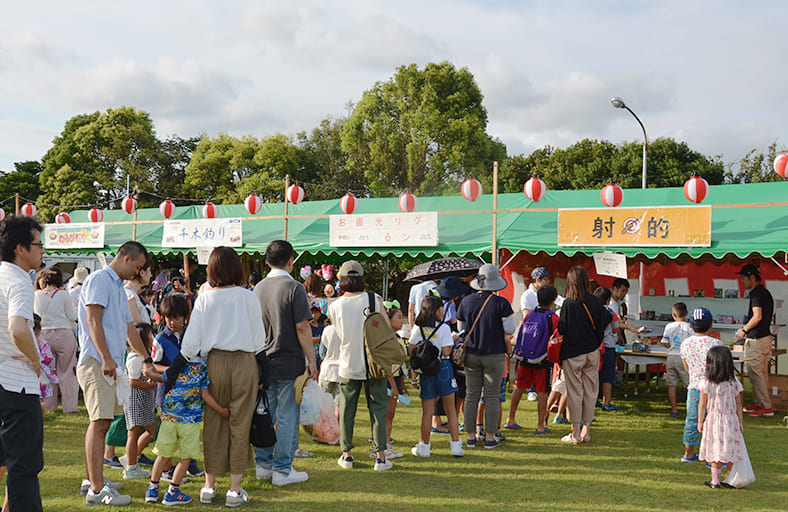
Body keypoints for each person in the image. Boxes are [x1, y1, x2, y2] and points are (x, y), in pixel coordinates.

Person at [179, 246, 266, 507]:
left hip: (214, 363)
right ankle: (234, 490)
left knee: (214, 425)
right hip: (244, 362)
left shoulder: (204, 297)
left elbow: (190, 345)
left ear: (212, 269)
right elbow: (258, 340)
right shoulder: (249, 297)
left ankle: (209, 486)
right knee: (240, 425)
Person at [77, 241, 153, 506]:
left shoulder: (119, 287)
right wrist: (107, 358)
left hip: (110, 363)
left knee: (104, 423)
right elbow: (92, 320)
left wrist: (146, 358)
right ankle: (97, 489)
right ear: (126, 258)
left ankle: (93, 480)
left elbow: (129, 328)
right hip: (97, 361)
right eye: (138, 266)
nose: (138, 272)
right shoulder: (100, 279)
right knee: (99, 423)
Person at [253, 240, 316, 486]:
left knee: (265, 413)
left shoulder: (257, 288)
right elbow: (302, 327)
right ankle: (282, 469)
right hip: (288, 360)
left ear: (267, 261)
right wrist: (312, 360)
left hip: (262, 361)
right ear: (291, 260)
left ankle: (264, 463)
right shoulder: (294, 287)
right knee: (288, 415)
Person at [0, 215, 47, 512]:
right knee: (24, 464)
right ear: (20, 248)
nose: (42, 251)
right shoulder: (19, 280)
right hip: (16, 382)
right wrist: (35, 358)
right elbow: (17, 328)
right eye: (38, 245)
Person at [329, 260, 393, 471]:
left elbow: (339, 334)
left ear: (342, 279)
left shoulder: (335, 306)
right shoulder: (374, 299)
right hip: (374, 363)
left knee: (347, 409)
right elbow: (385, 328)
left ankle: (346, 454)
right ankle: (380, 456)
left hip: (348, 362)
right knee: (378, 409)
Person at [144, 358, 229, 505]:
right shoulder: (203, 371)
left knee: (162, 455)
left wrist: (148, 371)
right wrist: (221, 410)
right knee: (186, 457)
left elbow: (159, 377)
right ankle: (173, 492)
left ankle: (152, 489)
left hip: (170, 417)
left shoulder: (177, 367)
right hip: (190, 420)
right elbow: (205, 395)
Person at [456, 264, 515, 450]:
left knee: (471, 395)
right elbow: (510, 329)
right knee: (491, 396)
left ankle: (471, 437)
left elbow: (460, 329)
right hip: (494, 354)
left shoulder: (466, 302)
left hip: (471, 354)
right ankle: (490, 437)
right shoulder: (501, 303)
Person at [556, 266, 611, 445]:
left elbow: (562, 328)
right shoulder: (595, 301)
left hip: (573, 353)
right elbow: (605, 320)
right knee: (590, 391)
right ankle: (587, 430)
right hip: (592, 351)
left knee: (575, 392)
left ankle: (576, 433)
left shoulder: (568, 303)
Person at [409, 295, 464, 458]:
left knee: (427, 412)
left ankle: (424, 446)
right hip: (443, 368)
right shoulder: (444, 328)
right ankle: (455, 445)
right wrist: (453, 340)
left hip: (426, 371)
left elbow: (411, 350)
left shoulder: (417, 328)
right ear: (437, 310)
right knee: (450, 410)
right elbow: (447, 351)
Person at [506, 285, 559, 433]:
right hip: (543, 360)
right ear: (553, 301)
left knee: (519, 386)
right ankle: (541, 425)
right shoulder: (553, 318)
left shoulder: (530, 314)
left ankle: (510, 418)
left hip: (525, 357)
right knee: (542, 392)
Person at [698, 345, 747, 489]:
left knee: (715, 450)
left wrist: (700, 421)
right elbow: (739, 404)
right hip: (731, 421)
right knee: (731, 449)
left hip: (713, 421)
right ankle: (729, 479)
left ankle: (715, 480)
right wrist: (740, 422)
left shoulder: (707, 383)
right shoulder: (734, 382)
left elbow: (702, 404)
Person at [34, 266, 79, 413]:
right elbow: (72, 316)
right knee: (67, 371)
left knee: (48, 372)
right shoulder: (63, 294)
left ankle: (49, 406)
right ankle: (70, 407)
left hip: (43, 335)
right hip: (63, 334)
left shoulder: (36, 295)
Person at [679, 307, 722, 463]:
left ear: (690, 325)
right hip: (713, 388)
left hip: (695, 387)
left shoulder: (685, 344)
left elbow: (686, 367)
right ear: (710, 325)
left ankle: (688, 453)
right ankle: (714, 457)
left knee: (692, 419)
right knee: (714, 421)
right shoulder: (716, 343)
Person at [734, 264, 775, 417]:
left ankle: (766, 406)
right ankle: (758, 404)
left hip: (756, 339)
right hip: (765, 338)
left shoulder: (756, 294)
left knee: (755, 373)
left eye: (743, 278)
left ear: (752, 277)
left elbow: (757, 316)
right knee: (762, 373)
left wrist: (743, 330)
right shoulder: (765, 292)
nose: (742, 281)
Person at [121, 322, 156, 480]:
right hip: (135, 399)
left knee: (150, 431)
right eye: (150, 335)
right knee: (134, 432)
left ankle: (131, 457)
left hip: (144, 399)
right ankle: (131, 467)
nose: (152, 338)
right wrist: (151, 385)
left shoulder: (144, 356)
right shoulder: (135, 358)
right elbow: (132, 381)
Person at [661, 302, 693, 418]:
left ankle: (674, 409)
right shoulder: (689, 327)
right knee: (689, 384)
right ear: (686, 314)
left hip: (671, 357)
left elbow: (664, 342)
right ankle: (691, 408)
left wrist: (670, 347)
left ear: (673, 314)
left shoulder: (669, 326)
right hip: (683, 357)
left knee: (671, 384)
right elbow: (692, 342)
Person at [593, 286, 622, 412]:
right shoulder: (611, 313)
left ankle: (593, 400)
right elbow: (616, 329)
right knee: (607, 376)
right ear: (608, 300)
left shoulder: (591, 311)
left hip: (594, 347)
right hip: (608, 347)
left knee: (593, 375)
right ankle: (606, 402)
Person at [124, 256, 154, 325]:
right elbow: (136, 327)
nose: (151, 275)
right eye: (150, 271)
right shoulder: (129, 295)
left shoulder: (132, 294)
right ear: (142, 273)